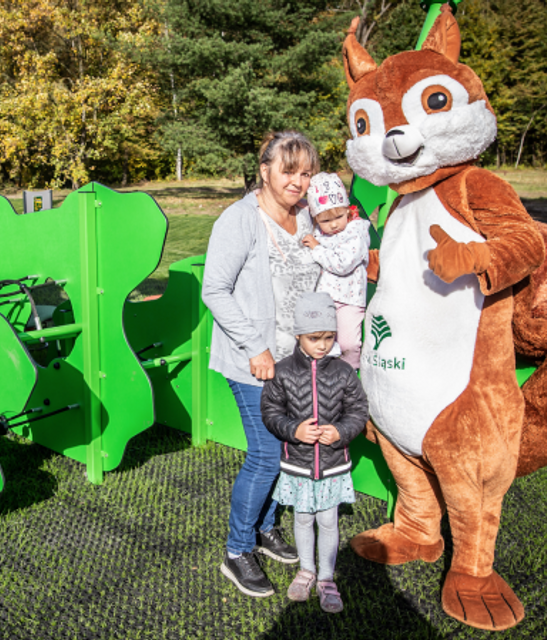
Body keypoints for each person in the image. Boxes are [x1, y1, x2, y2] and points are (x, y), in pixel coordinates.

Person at [202, 131, 322, 597]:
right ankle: (236, 550)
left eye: (306, 172)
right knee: (267, 454)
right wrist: (256, 347)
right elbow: (214, 290)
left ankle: (265, 527)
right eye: (289, 170)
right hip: (256, 361)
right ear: (265, 169)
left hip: (297, 358)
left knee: (287, 452)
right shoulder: (240, 220)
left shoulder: (307, 215)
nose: (298, 181)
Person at [261, 291, 368, 613]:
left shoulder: (344, 371)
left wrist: (341, 432)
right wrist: (294, 430)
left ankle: (327, 579)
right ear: (298, 335)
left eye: (329, 337)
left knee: (328, 520)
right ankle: (306, 571)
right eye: (314, 338)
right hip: (298, 464)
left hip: (334, 464)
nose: (322, 345)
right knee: (303, 518)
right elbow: (270, 412)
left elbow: (358, 410)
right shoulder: (281, 372)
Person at [300, 173, 370, 369]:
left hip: (349, 300)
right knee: (320, 343)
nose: (333, 225)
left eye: (339, 217)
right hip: (325, 299)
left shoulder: (355, 234)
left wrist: (317, 248)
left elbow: (342, 263)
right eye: (325, 220)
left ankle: (349, 373)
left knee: (348, 343)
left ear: (348, 210)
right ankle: (326, 374)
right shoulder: (320, 233)